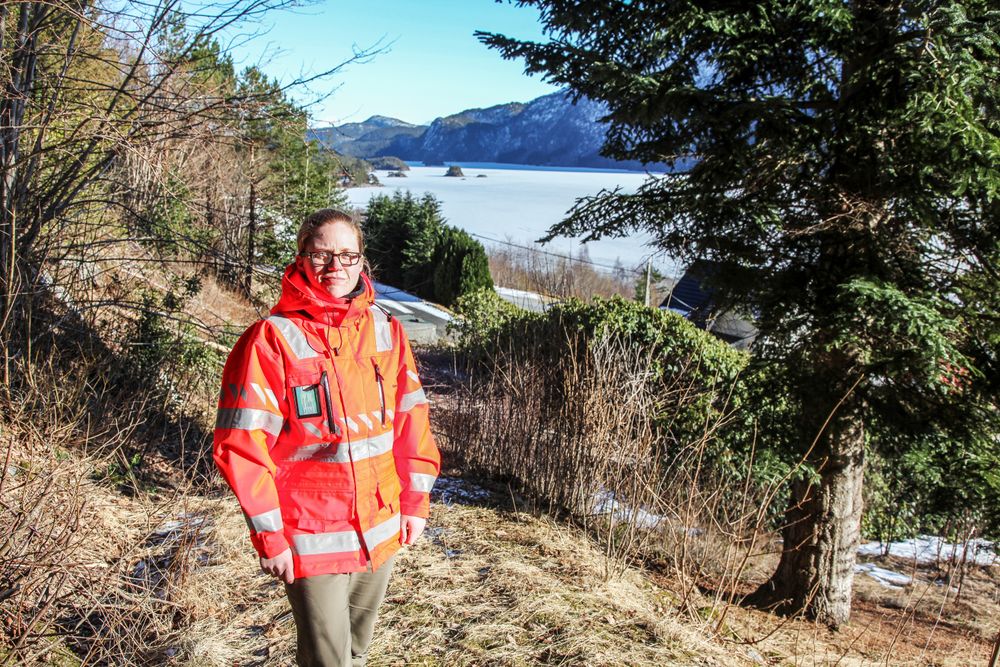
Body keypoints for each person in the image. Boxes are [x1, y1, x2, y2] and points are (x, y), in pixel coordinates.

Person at [213, 208, 440, 667]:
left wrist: (414, 503)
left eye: (347, 255)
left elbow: (410, 420)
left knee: (356, 648)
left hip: (380, 524)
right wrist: (271, 537)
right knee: (328, 659)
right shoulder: (270, 340)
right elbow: (242, 447)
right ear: (301, 259)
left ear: (362, 261)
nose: (335, 267)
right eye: (321, 255)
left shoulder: (386, 330)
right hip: (309, 533)